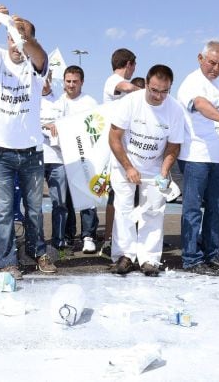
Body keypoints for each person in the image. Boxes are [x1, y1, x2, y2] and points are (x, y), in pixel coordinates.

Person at [0, 3, 56, 279]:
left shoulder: (37, 68)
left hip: (31, 152)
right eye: (11, 38)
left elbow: (41, 56)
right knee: (2, 211)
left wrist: (25, 37)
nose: (15, 44)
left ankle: (38, 252)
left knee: (34, 210)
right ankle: (7, 261)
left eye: (19, 38)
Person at [108, 65, 185, 276]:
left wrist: (163, 172)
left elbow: (173, 145)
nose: (158, 95)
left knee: (153, 211)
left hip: (154, 168)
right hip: (125, 163)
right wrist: (128, 167)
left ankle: (149, 258)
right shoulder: (130, 102)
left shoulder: (175, 110)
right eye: (154, 90)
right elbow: (114, 137)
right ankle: (124, 256)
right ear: (147, 84)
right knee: (123, 209)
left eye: (164, 91)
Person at [176, 41, 219, 276]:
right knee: (192, 209)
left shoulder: (217, 85)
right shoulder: (193, 82)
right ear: (200, 58)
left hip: (215, 157)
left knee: (217, 207)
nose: (216, 68)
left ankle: (212, 254)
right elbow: (200, 104)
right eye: (212, 62)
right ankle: (191, 258)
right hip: (195, 156)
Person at [101, 48, 140, 257]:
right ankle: (109, 239)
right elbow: (124, 86)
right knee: (115, 196)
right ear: (129, 64)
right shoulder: (112, 80)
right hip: (116, 147)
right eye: (134, 66)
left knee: (128, 198)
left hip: (128, 146)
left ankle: (127, 238)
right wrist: (147, 92)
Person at [58, 65, 100, 254]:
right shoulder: (57, 102)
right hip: (62, 157)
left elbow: (97, 128)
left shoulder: (90, 102)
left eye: (75, 81)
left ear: (82, 82)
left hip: (85, 157)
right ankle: (68, 236)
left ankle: (88, 236)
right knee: (65, 199)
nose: (71, 85)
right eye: (68, 81)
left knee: (86, 197)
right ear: (63, 82)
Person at [40, 73, 68, 252]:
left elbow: (70, 124)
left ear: (50, 78)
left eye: (46, 78)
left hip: (58, 158)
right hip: (35, 158)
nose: (43, 83)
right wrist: (45, 125)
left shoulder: (61, 100)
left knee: (60, 203)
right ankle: (37, 240)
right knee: (34, 205)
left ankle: (59, 240)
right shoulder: (30, 98)